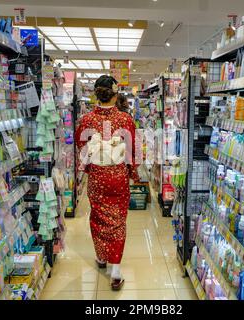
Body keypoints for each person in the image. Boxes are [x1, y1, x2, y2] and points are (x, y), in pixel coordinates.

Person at [75, 75, 139, 290]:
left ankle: (101, 258)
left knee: (99, 218)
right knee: (117, 221)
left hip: (97, 178)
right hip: (118, 178)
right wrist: (133, 173)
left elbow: (80, 145)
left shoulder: (87, 120)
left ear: (96, 94)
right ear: (115, 93)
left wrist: (89, 164)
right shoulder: (125, 120)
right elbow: (132, 151)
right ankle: (116, 272)